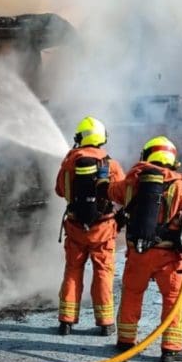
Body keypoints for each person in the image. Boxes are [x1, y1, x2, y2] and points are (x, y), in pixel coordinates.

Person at [108, 135, 182, 362]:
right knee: (173, 298)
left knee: (132, 294)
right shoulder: (181, 186)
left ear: (147, 155)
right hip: (168, 256)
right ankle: (171, 348)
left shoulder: (133, 182)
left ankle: (125, 341)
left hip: (137, 252)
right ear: (172, 160)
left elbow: (112, 192)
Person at [55, 116, 125, 336]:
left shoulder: (69, 161)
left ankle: (66, 321)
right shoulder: (110, 164)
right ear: (102, 138)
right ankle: (105, 323)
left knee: (73, 271)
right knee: (103, 272)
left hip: (76, 227)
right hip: (103, 228)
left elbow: (59, 190)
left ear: (80, 137)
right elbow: (122, 194)